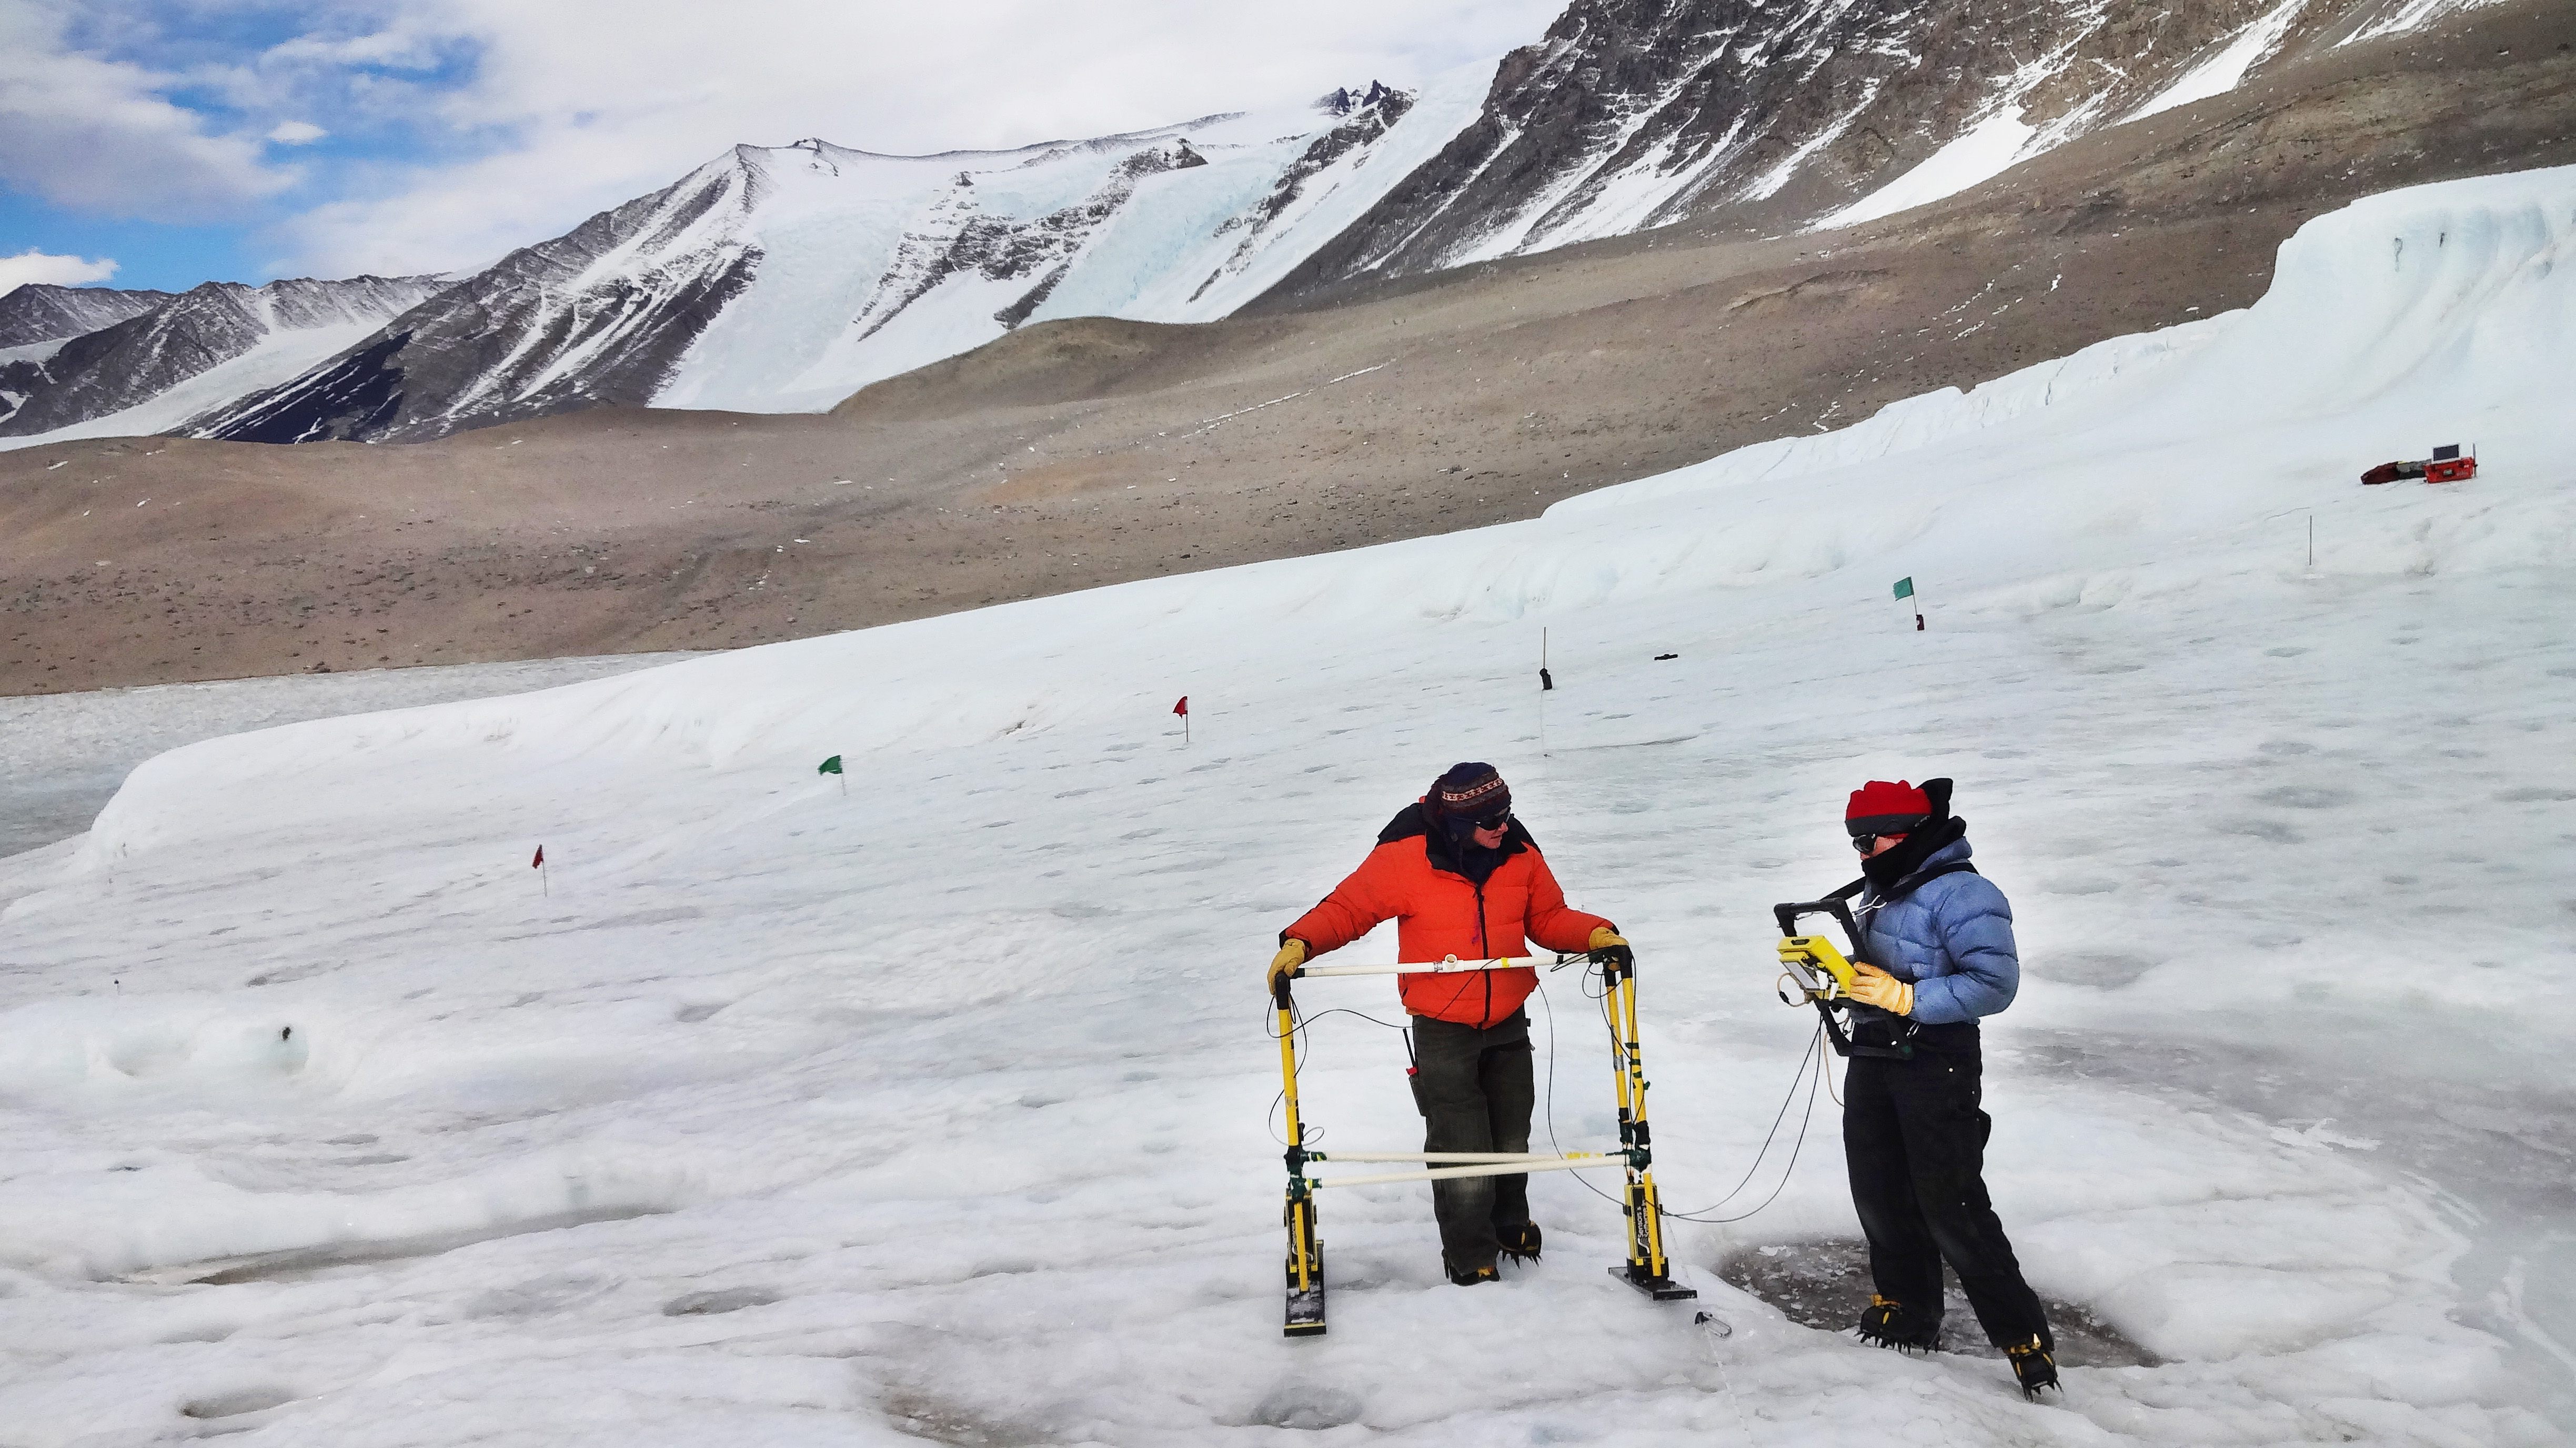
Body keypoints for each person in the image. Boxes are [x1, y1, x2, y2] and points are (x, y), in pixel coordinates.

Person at [1269, 762, 1625, 1286]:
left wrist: (1596, 934)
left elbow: (1546, 916)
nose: (1503, 825)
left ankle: (1508, 1222)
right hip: (1442, 1026)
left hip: (1508, 1016)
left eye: (1506, 813)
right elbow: (1349, 908)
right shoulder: (1406, 852)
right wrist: (1300, 942)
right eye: (1490, 819)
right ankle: (1469, 1253)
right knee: (1462, 1147)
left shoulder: (1517, 849)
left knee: (1510, 1133)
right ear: (1459, 822)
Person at [1833, 777, 2059, 1400]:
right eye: (1853, 841)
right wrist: (1838, 981)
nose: (1860, 853)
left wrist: (1909, 997)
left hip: (1937, 1058)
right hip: (1875, 1050)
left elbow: (1995, 982)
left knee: (1949, 1200)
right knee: (1879, 1186)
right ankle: (1907, 1309)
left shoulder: (1965, 893)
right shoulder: (1882, 890)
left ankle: (2022, 1336)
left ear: (1906, 832)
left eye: (1868, 839)